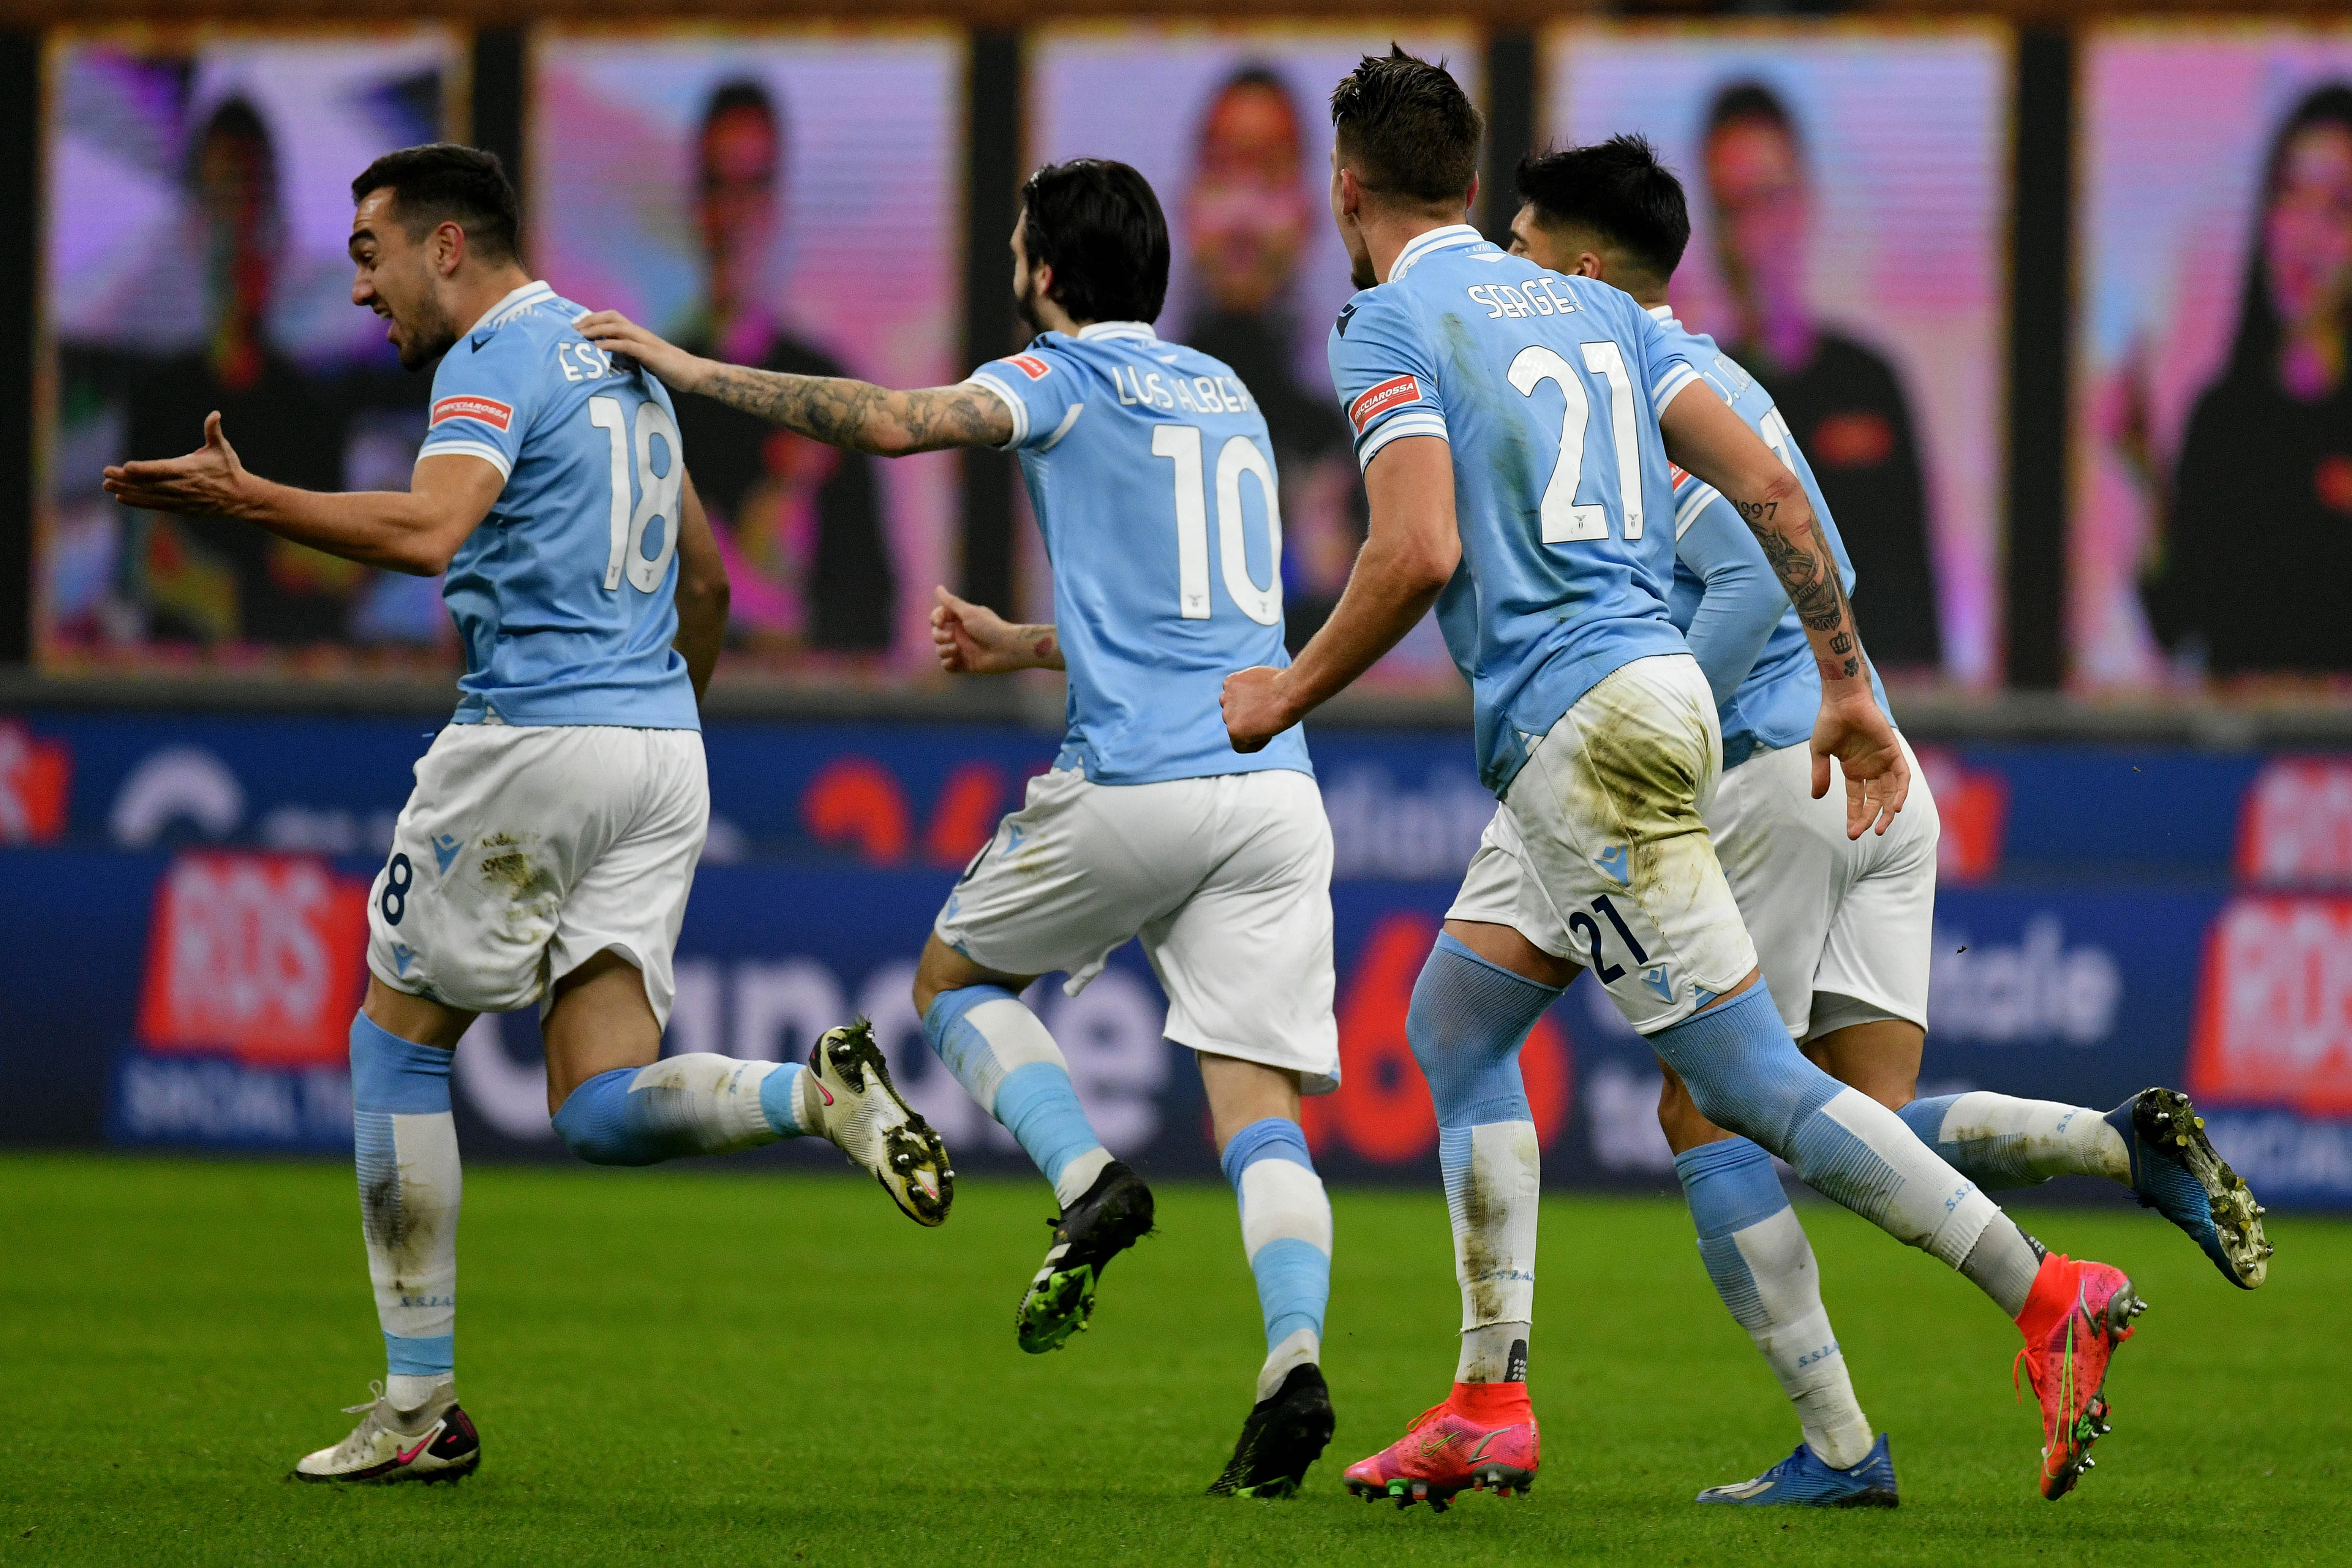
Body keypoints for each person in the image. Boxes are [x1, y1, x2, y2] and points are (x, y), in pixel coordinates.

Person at [1218, 49, 2142, 1511]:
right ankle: (1487, 1392)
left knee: (1743, 1087)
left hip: (1579, 723)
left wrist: (1284, 686)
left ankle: (2046, 1290)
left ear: (1349, 192)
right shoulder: (1605, 309)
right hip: (1659, 692)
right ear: (1471, 181)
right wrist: (1846, 677)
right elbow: (1775, 494)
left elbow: (1416, 551)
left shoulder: (1387, 320)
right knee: (1454, 1018)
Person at [102, 142, 952, 1486]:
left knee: (394, 1049)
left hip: (533, 741)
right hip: (662, 744)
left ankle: (421, 1403)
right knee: (598, 1101)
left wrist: (245, 497)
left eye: (370, 252)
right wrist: (658, 728)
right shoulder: (623, 359)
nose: (362, 286)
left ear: (450, 245)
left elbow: (434, 531)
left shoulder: (489, 355)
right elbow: (713, 584)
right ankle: (812, 1090)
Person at [1473, 136, 2270, 1508]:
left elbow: (1760, 571)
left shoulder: (1638, 393)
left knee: (1709, 1103)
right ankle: (2110, 1144)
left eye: (1524, 246)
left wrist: (1672, 725)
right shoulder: (1722, 378)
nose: (1508, 272)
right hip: (1875, 772)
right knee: (1859, 1119)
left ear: (1582, 267)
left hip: (1784, 776)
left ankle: (1842, 1447)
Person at [581, 158, 1345, 1498]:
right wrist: (1032, 642)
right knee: (1258, 1108)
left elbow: (887, 421)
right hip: (1274, 784)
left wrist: (685, 370)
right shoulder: (1221, 391)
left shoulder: (1058, 375)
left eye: (1016, 248)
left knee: (952, 981)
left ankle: (1088, 1170)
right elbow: (1197, 615)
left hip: (1140, 780)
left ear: (1048, 275)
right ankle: (1292, 1363)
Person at [1700, 82, 1941, 672]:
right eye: (1732, 209)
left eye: (1769, 199)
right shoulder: (1696, 395)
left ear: (1805, 202)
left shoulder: (1872, 384)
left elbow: (1918, 596)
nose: (1754, 235)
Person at [669, 80, 895, 654]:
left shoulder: (835, 397)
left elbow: (874, 612)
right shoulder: (648, 395)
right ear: (696, 203)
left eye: (757, 186)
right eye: (721, 186)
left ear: (779, 203)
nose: (738, 215)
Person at [119, 97, 352, 646]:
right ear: (194, 226)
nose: (241, 227)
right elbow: (149, 570)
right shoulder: (158, 406)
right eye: (224, 199)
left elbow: (336, 574)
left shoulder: (314, 416)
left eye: (256, 199)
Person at [2142, 83, 2352, 676]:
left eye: (2339, 208)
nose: (2306, 237)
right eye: (2290, 196)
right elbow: (2176, 623)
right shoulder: (2223, 420)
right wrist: (2143, 482)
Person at [1181, 66, 1364, 649]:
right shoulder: (1122, 423)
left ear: (1312, 216)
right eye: (1224, 170)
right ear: (1186, 208)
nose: (1243, 214)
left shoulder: (1357, 439)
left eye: (1270, 173)